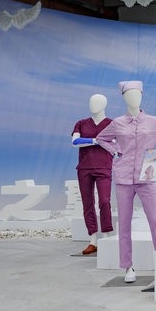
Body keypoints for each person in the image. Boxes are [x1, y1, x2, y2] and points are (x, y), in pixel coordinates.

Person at [96, 81, 156, 283]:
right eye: (129, 95)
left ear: (142, 96)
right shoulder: (118, 123)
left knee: (155, 222)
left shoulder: (153, 121)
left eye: (136, 94)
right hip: (123, 177)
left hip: (147, 177)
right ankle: (127, 266)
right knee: (124, 224)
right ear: (124, 98)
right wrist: (116, 151)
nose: (133, 98)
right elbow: (101, 138)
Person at [71, 94, 114, 255]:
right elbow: (75, 142)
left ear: (104, 104)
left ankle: (106, 236)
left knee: (104, 201)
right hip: (84, 168)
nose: (93, 105)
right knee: (87, 203)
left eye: (97, 102)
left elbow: (116, 143)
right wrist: (97, 141)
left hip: (104, 167)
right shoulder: (81, 123)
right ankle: (93, 239)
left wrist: (93, 141)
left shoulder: (111, 124)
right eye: (91, 102)